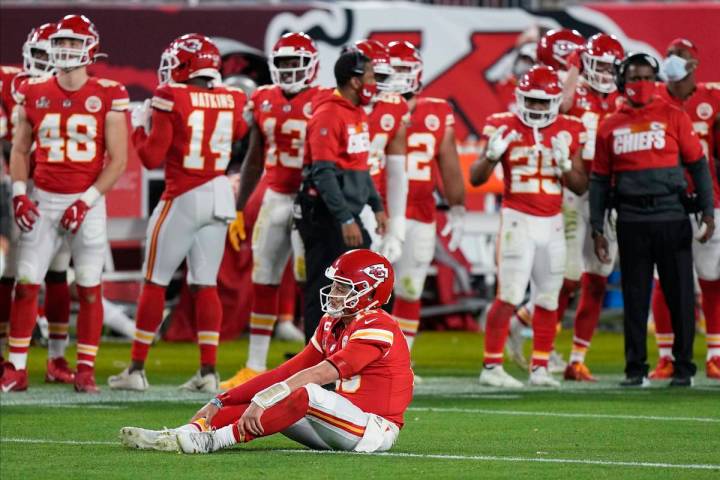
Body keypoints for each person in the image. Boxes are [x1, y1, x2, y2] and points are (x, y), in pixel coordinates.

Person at [119, 249, 413, 455]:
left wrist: (266, 397)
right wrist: (221, 400)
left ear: (371, 292)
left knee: (304, 393)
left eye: (343, 287)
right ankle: (183, 433)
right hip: (337, 421)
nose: (334, 293)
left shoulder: (379, 325)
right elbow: (287, 371)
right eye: (335, 285)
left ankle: (216, 441)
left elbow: (324, 372)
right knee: (281, 396)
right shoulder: (332, 323)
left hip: (373, 429)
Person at [108, 34, 247, 392]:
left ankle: (136, 369)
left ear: (186, 64)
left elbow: (152, 157)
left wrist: (140, 126)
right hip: (218, 194)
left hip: (183, 194)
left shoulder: (171, 96)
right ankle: (209, 371)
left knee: (155, 280)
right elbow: (241, 131)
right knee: (205, 284)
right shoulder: (231, 97)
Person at [2, 14, 129, 393]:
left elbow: (118, 160)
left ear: (90, 48)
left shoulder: (108, 92)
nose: (66, 49)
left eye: (74, 43)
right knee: (26, 283)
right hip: (43, 199)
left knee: (89, 286)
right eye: (61, 43)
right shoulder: (34, 89)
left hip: (86, 203)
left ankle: (85, 369)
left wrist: (86, 200)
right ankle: (17, 368)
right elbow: (21, 149)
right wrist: (20, 194)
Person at [590, 52, 715, 387]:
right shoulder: (610, 125)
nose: (641, 84)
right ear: (622, 82)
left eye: (647, 77)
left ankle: (684, 367)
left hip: (671, 214)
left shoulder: (673, 115)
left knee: (681, 296)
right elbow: (599, 180)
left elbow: (698, 165)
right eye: (634, 77)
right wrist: (596, 227)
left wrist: (708, 211)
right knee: (635, 296)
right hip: (631, 218)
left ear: (656, 80)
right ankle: (635, 369)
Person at [220, 33, 327, 390]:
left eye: (295, 62)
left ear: (311, 66)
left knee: (307, 282)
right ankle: (254, 365)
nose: (288, 70)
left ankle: (311, 360)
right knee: (263, 277)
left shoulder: (325, 99)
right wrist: (238, 208)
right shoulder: (263, 98)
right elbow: (253, 158)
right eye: (281, 63)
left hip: (309, 200)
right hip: (275, 196)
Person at [470, 65, 588, 388]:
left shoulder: (570, 128)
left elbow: (580, 185)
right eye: (530, 101)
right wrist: (491, 156)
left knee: (548, 297)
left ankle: (540, 367)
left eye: (542, 102)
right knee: (508, 293)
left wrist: (565, 165)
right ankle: (491, 366)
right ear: (520, 98)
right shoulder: (502, 125)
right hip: (517, 218)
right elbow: (476, 178)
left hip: (552, 222)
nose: (536, 108)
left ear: (554, 101)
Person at [0, 22, 76, 384]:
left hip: (56, 189)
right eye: (44, 53)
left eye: (56, 52)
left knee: (59, 272)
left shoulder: (79, 88)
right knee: (14, 272)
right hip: (20, 185)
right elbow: (10, 145)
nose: (50, 60)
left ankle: (57, 358)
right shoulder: (11, 84)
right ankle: (7, 354)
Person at [295, 50, 387, 342]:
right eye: (371, 76)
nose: (376, 82)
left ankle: (345, 350)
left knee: (362, 281)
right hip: (325, 213)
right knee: (324, 288)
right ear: (356, 81)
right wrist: (345, 217)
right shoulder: (329, 113)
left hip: (347, 213)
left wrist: (376, 204)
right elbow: (322, 173)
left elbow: (358, 166)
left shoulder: (356, 111)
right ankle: (314, 361)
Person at [648, 39, 720, 381]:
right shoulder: (654, 99)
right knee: (665, 281)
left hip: (708, 201)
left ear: (694, 62)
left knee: (712, 279)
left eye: (682, 56)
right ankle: (666, 356)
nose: (675, 61)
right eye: (671, 55)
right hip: (668, 204)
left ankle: (715, 354)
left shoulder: (713, 99)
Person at [386, 40, 466, 351]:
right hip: (382, 212)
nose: (400, 76)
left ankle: (401, 358)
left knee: (410, 287)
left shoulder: (437, 111)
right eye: (395, 69)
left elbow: (449, 163)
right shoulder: (375, 108)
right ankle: (359, 356)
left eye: (406, 69)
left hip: (420, 210)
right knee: (367, 287)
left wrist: (458, 208)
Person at [555, 33, 625, 382]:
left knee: (598, 276)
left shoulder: (624, 99)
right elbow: (561, 106)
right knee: (567, 276)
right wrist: (572, 69)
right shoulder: (575, 90)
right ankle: (545, 349)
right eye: (597, 65)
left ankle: (577, 357)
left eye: (611, 67)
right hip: (575, 192)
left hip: (607, 194)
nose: (605, 73)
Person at [353, 39, 409, 264]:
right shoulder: (329, 104)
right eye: (369, 75)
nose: (373, 84)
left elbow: (396, 173)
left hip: (369, 205)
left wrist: (396, 225)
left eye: (380, 77)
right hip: (330, 204)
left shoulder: (393, 108)